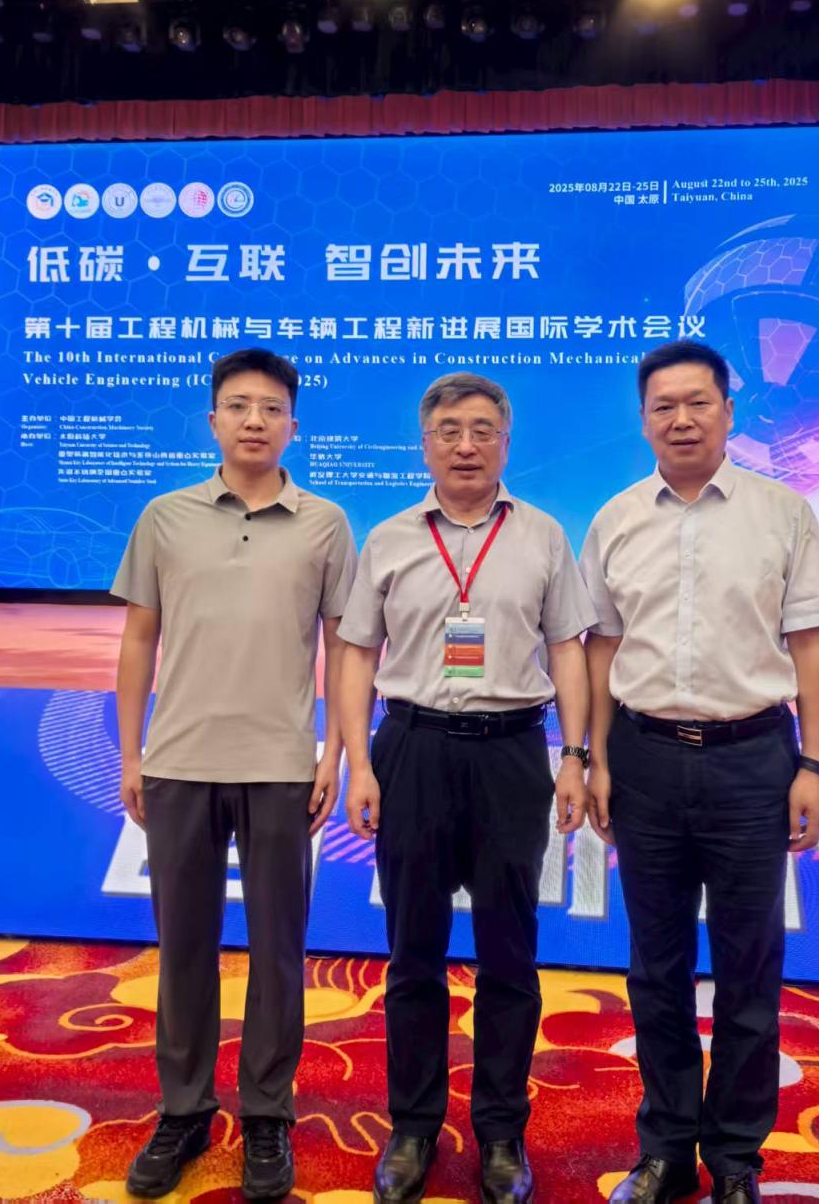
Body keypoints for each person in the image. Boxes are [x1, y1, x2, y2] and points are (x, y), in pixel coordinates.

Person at [580, 341, 819, 1204]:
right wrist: (595, 757)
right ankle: (664, 1149)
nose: (682, 420)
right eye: (664, 406)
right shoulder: (616, 518)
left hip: (753, 760)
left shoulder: (782, 512)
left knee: (748, 968)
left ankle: (735, 1158)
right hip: (646, 759)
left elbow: (811, 645)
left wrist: (813, 763)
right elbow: (601, 647)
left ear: (729, 411)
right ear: (643, 419)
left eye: (699, 402)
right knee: (654, 967)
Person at [337, 372, 595, 1204]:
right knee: (412, 953)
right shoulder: (389, 539)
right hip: (410, 749)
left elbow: (568, 649)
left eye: (483, 429)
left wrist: (574, 755)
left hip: (510, 753)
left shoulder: (544, 535)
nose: (466, 445)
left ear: (506, 442)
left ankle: (501, 1133)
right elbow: (355, 654)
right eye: (449, 430)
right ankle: (412, 1128)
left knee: (509, 955)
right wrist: (358, 762)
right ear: (425, 444)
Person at [113, 347, 357, 1201]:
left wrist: (334, 751)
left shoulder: (326, 522)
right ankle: (183, 1109)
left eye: (271, 408)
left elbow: (344, 647)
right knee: (183, 946)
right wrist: (132, 753)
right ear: (212, 419)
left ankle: (266, 1114)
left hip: (281, 766)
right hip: (180, 761)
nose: (256, 420)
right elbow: (138, 639)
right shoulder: (164, 516)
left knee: (279, 949)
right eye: (240, 405)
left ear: (294, 424)